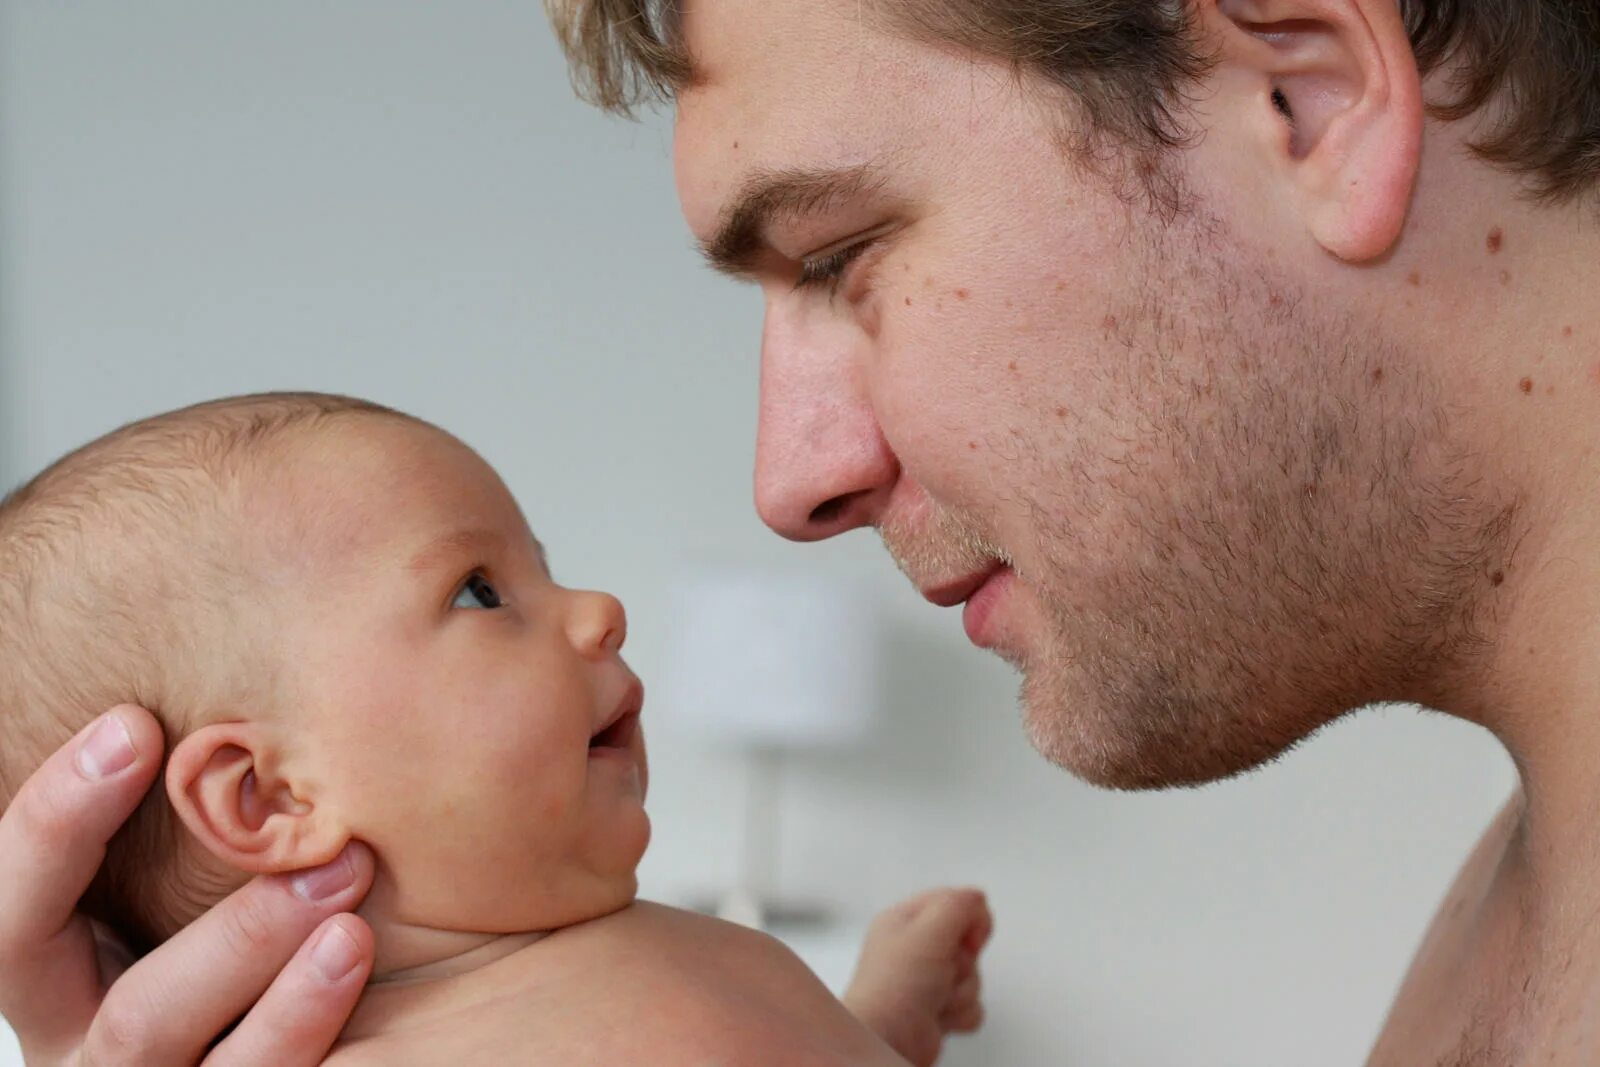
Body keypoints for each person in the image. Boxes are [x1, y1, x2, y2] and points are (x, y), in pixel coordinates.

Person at [1, 0, 1596, 1062]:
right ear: (254, 790)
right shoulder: (1517, 899)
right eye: (482, 587)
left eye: (840, 253)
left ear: (1305, 94)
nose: (791, 478)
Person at [0, 392, 988, 1065]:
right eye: (481, 591)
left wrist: (882, 1012)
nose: (599, 607)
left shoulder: (650, 951)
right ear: (270, 795)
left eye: (540, 566)